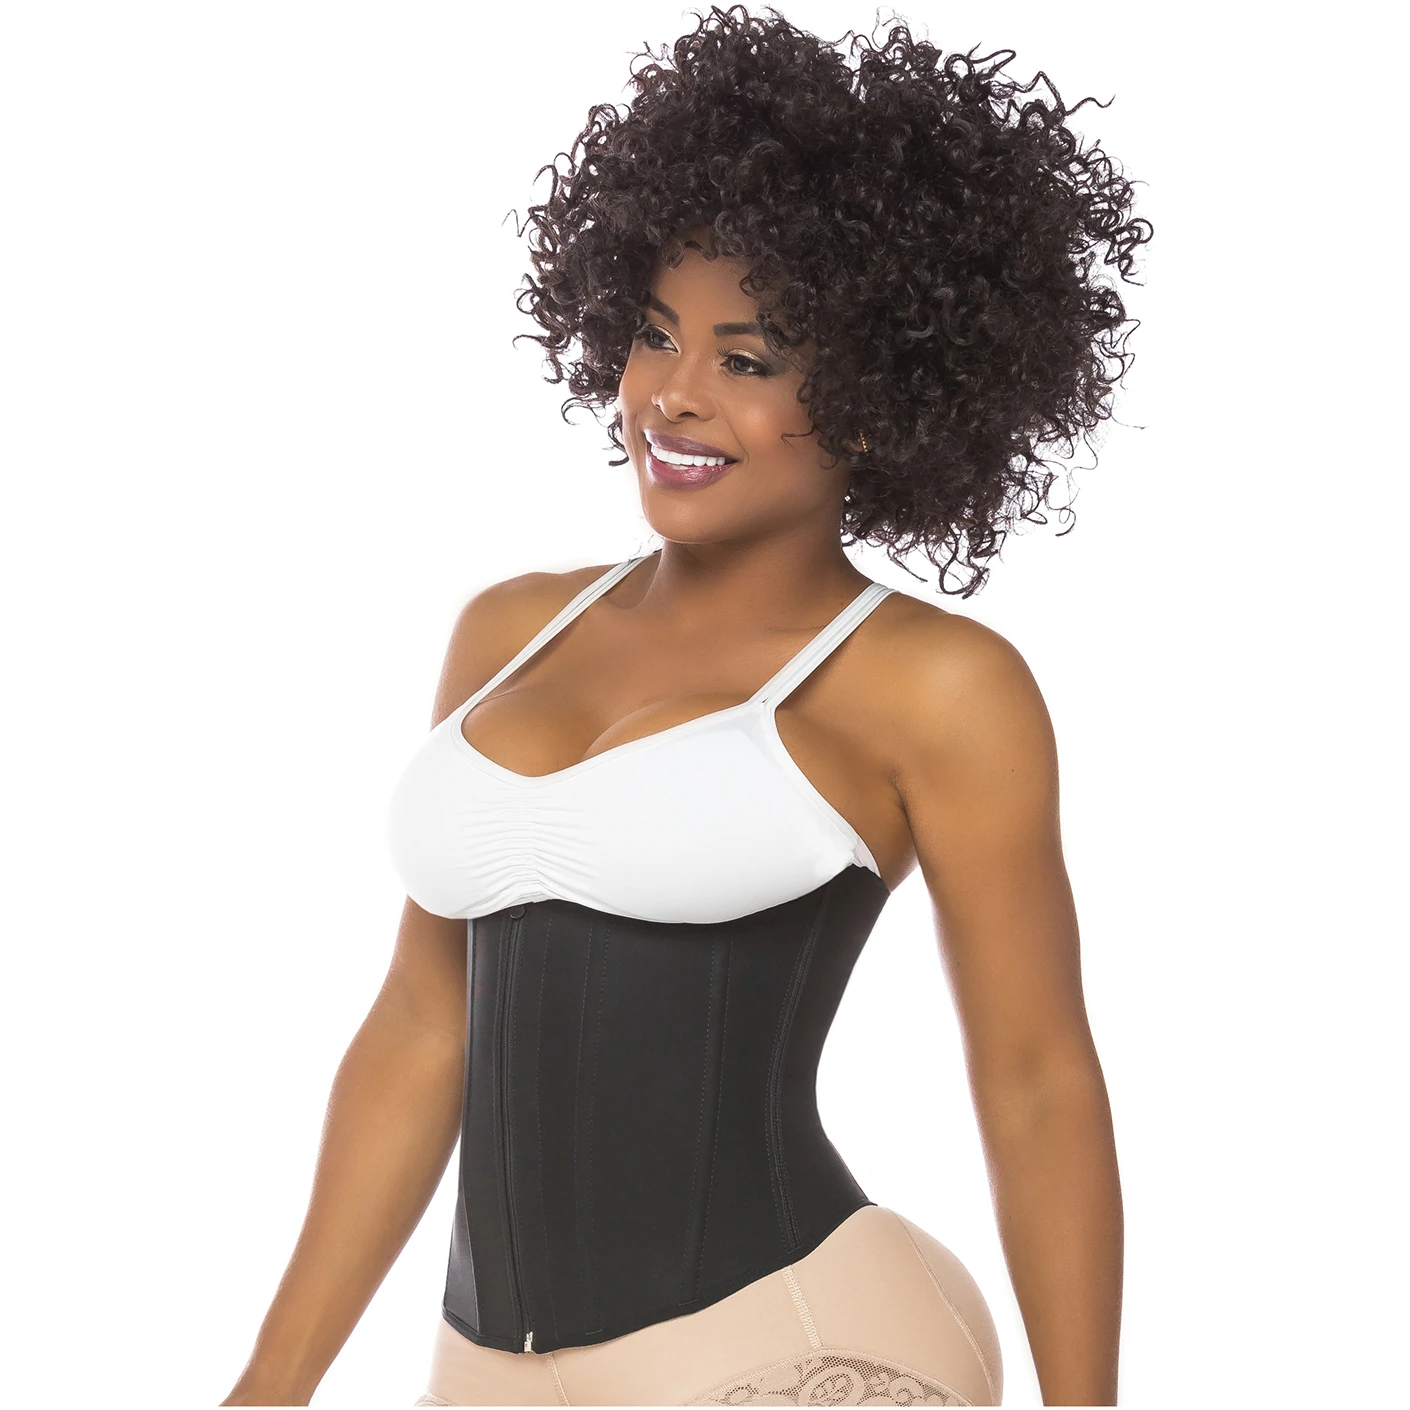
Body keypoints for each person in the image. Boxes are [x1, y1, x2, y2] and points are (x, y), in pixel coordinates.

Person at [222, 6, 1146, 1405]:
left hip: (797, 1343)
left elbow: (1034, 1077)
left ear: (883, 398)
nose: (673, 396)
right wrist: (267, 1385)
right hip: (484, 1369)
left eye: (747, 360)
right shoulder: (510, 631)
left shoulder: (933, 685)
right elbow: (420, 1029)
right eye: (655, 336)